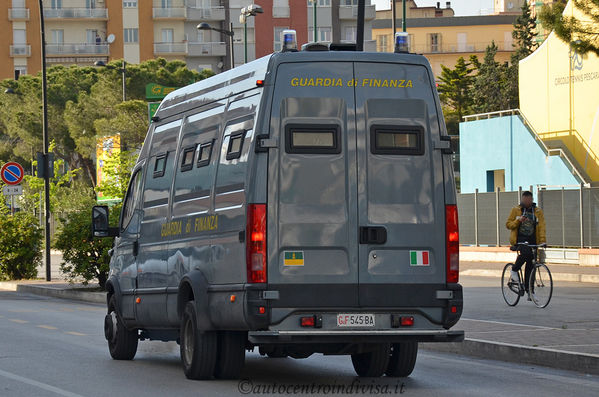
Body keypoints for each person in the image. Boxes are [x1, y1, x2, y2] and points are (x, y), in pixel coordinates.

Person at [505, 191, 546, 299]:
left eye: (529, 200)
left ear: (532, 200)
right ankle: (514, 270)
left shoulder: (537, 211)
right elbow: (508, 224)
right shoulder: (516, 210)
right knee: (526, 253)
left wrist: (543, 241)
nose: (527, 202)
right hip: (520, 239)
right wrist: (518, 220)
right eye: (525, 200)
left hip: (533, 240)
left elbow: (541, 226)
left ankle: (530, 290)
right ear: (522, 200)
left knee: (531, 265)